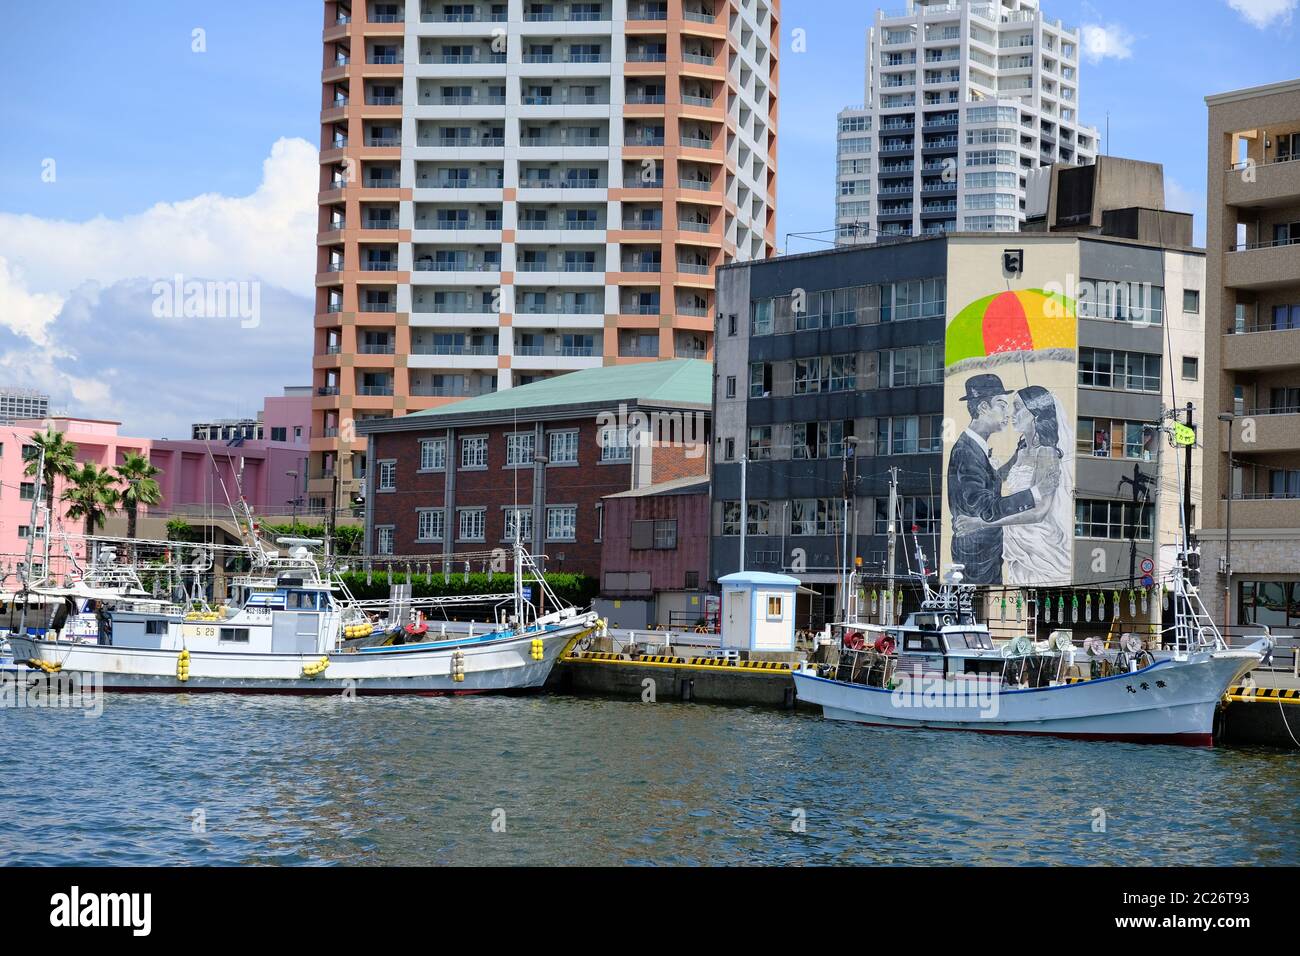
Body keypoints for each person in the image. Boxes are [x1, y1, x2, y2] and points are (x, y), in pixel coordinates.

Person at [953, 385, 1073, 586]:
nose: (1012, 414)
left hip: (1038, 544)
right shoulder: (1022, 451)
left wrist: (981, 523)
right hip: (1014, 540)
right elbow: (998, 479)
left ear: (1035, 414)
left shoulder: (1046, 453)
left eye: (1018, 407)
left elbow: (1038, 513)